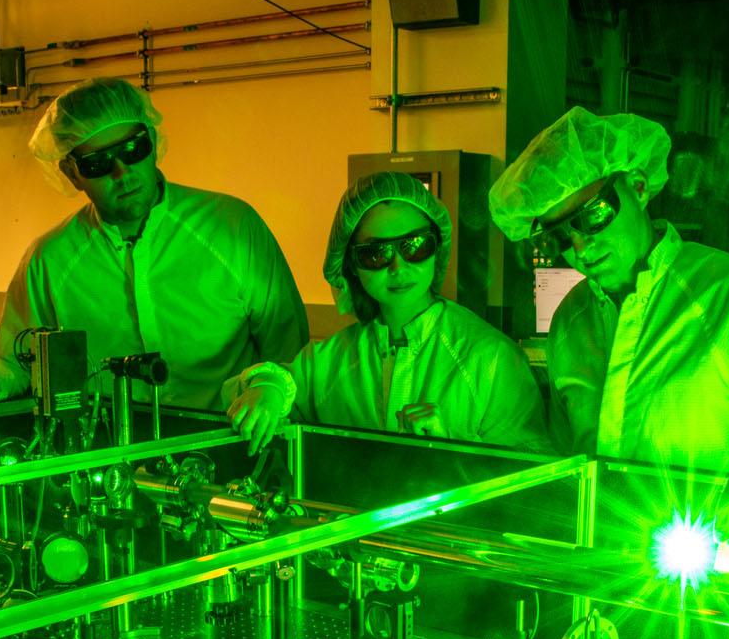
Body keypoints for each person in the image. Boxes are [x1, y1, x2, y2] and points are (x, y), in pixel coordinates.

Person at [488, 106, 729, 536]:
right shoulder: (569, 323)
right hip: (597, 573)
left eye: (593, 215)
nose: (581, 247)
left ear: (638, 186)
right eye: (560, 236)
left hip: (716, 574)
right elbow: (565, 463)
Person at [0, 78, 308, 414]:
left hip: (227, 447)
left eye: (132, 149)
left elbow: (287, 348)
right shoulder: (52, 259)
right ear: (71, 173)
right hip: (108, 459)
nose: (122, 173)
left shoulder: (231, 228)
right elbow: (15, 356)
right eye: (97, 163)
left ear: (153, 141)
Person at [224, 171, 548, 452]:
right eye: (376, 254)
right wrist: (268, 386)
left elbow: (532, 472)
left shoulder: (491, 360)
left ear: (437, 249)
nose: (398, 267)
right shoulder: (330, 362)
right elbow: (268, 388)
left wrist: (455, 445)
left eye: (415, 245)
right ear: (350, 263)